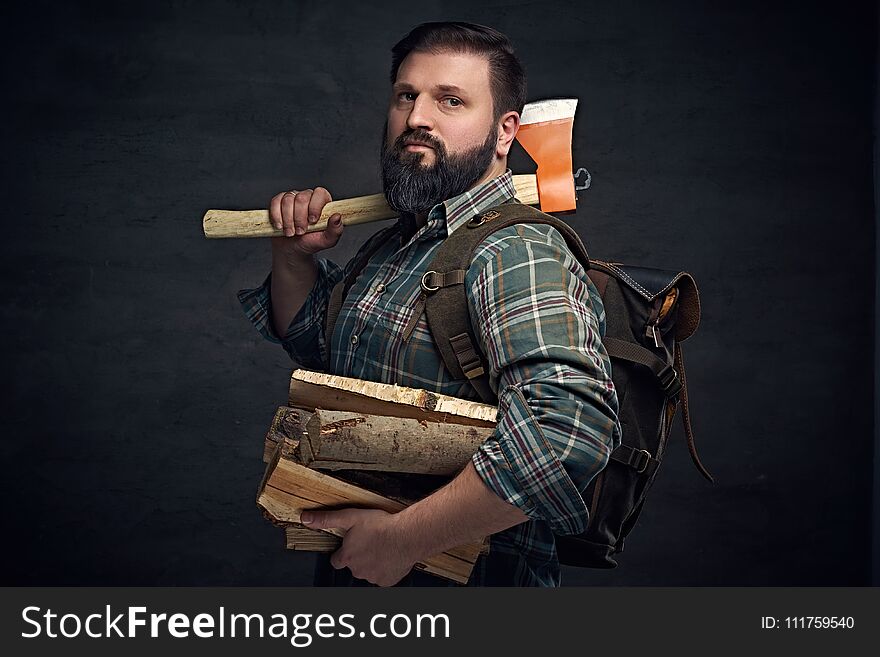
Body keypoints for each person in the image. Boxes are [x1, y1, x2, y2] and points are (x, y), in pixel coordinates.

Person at [238, 21, 621, 587]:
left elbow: (566, 434)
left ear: (503, 132)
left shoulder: (515, 251)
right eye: (406, 96)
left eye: (451, 100)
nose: (417, 118)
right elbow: (327, 354)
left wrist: (404, 539)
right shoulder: (398, 242)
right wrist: (292, 258)